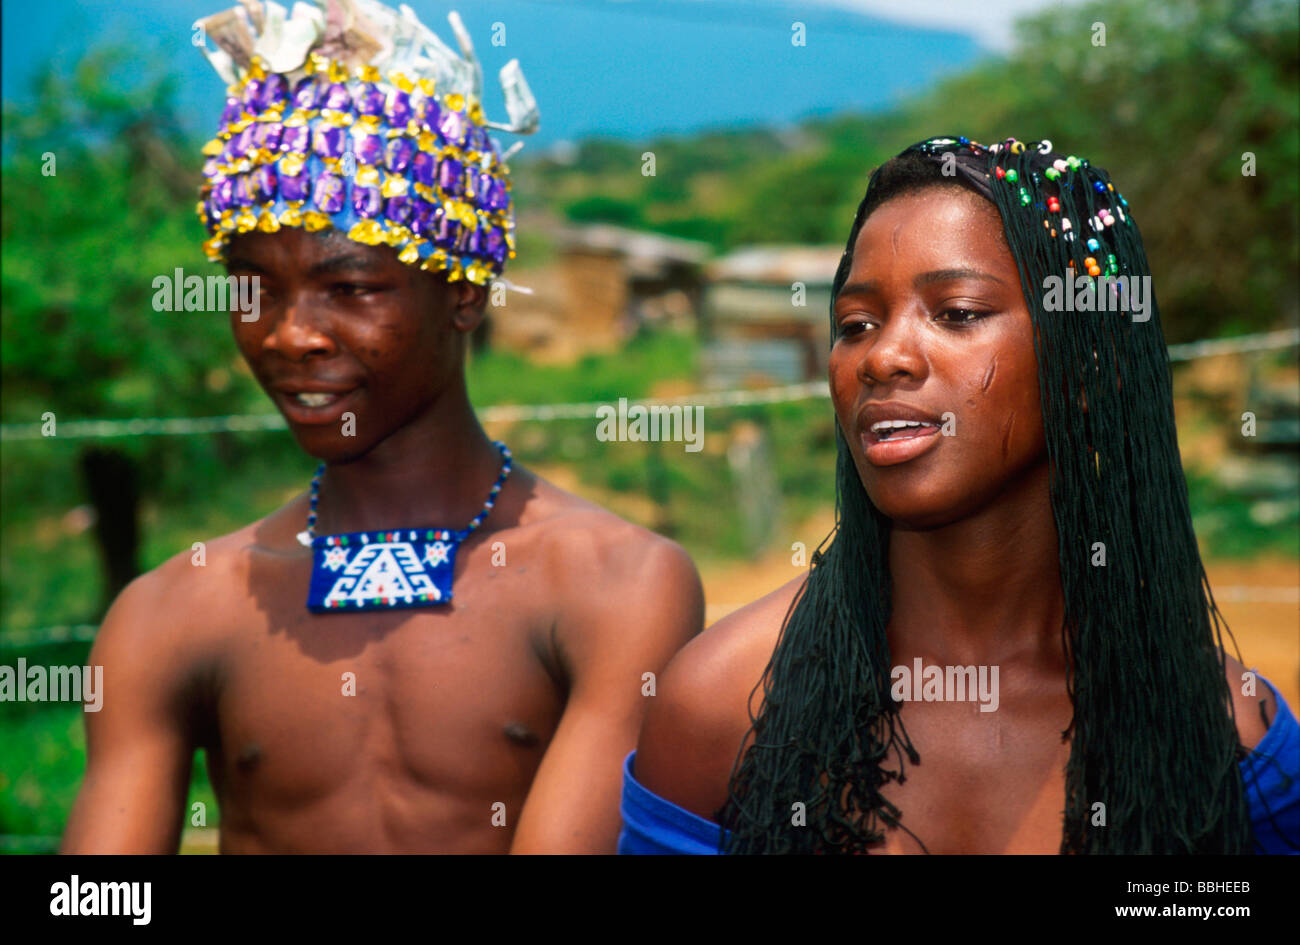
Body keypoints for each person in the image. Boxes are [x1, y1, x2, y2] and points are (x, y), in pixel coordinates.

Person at [62, 0, 703, 854]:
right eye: (255, 288)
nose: (290, 334)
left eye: (352, 287)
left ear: (465, 291)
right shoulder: (166, 617)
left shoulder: (616, 587)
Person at [622, 136, 1300, 854]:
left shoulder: (1230, 744)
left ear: (1088, 361)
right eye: (855, 324)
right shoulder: (724, 704)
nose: (883, 356)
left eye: (958, 312)